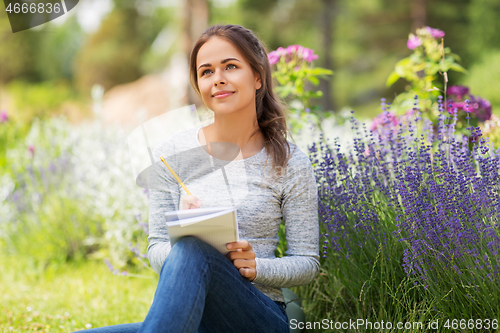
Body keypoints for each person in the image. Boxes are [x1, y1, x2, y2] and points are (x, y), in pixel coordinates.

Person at [76, 24, 319, 333]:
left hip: (258, 318)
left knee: (193, 249)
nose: (218, 78)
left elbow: (307, 262)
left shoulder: (289, 161)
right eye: (206, 72)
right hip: (193, 318)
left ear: (257, 77)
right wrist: (182, 237)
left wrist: (256, 267)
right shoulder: (172, 154)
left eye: (230, 66)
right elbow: (156, 250)